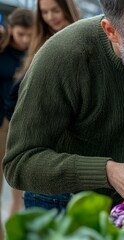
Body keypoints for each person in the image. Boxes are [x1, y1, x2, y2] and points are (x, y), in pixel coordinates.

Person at [3, 0, 124, 211]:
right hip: (60, 202)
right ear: (111, 32)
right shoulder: (63, 58)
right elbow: (19, 164)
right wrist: (108, 171)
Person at [2, 0, 80, 215]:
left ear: (67, 8)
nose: (50, 16)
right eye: (44, 12)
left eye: (55, 10)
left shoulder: (83, 41)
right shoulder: (40, 42)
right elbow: (18, 92)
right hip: (41, 146)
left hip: (68, 150)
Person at [0, 7, 33, 238]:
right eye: (21, 34)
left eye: (29, 35)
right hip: (1, 124)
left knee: (19, 189)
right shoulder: (2, 48)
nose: (25, 40)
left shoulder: (33, 52)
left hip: (22, 123)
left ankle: (13, 232)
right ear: (11, 29)